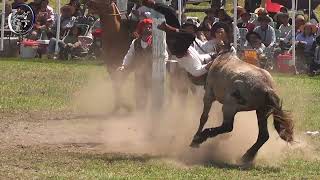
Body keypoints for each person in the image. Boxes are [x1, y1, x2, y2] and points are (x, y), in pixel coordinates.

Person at [117, 18, 167, 110]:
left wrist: (160, 64)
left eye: (150, 26)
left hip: (155, 74)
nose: (148, 28)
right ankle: (141, 115)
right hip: (140, 74)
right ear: (141, 29)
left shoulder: (158, 41)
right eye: (146, 27)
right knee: (140, 96)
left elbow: (164, 55)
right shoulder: (135, 43)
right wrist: (124, 66)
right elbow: (129, 55)